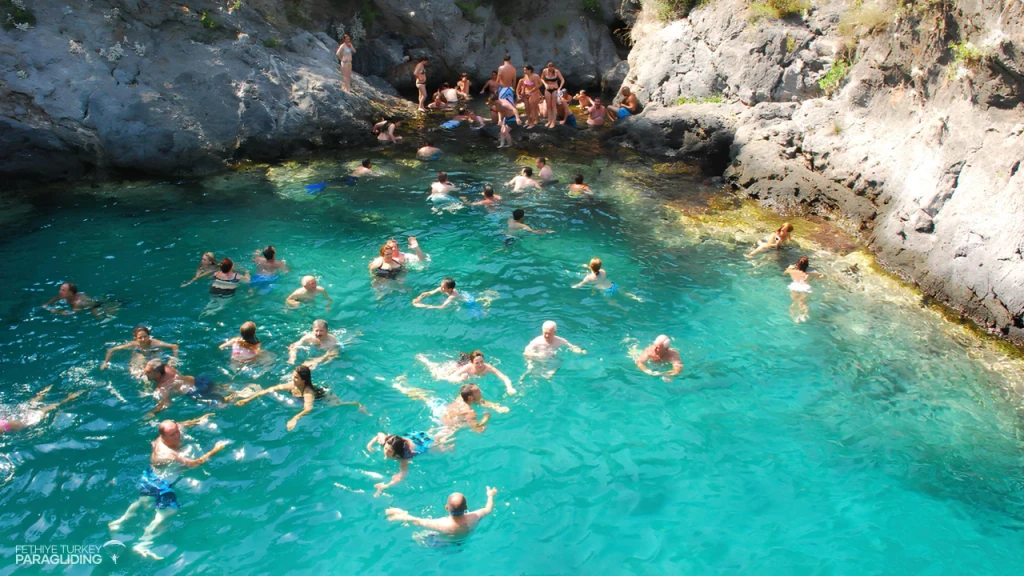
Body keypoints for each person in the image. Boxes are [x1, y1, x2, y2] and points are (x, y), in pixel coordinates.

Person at [108, 417, 229, 560]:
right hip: (162, 483)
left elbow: (183, 425)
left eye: (177, 431)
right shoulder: (168, 454)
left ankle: (120, 522)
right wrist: (215, 450)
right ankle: (143, 543)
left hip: (150, 475)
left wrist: (198, 420)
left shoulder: (160, 439)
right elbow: (194, 464)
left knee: (142, 501)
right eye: (173, 434)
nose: (177, 435)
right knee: (166, 513)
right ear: (164, 436)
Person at [234, 365, 367, 431]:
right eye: (293, 376)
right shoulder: (293, 385)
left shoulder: (308, 393)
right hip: (311, 393)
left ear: (303, 380)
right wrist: (249, 399)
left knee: (340, 405)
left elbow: (308, 408)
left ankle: (358, 405)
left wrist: (294, 418)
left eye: (296, 377)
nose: (293, 379)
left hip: (323, 398)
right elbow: (271, 389)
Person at [386, 487, 499, 540]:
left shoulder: (441, 524)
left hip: (445, 542)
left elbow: (417, 521)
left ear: (446, 508)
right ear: (466, 508)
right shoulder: (474, 517)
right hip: (463, 540)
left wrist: (402, 515)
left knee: (417, 537)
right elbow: (488, 508)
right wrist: (490, 495)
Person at [366, 430, 452, 497]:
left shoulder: (404, 457)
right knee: (436, 434)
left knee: (441, 448)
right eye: (385, 448)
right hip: (413, 436)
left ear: (396, 452)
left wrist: (386, 486)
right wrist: (369, 445)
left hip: (422, 444)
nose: (386, 452)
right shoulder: (388, 441)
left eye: (389, 451)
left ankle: (449, 444)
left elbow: (403, 474)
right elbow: (379, 434)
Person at [0, 385, 83, 436]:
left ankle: (70, 398)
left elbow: (16, 425)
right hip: (18, 416)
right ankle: (47, 389)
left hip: (27, 420)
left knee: (50, 407)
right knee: (32, 403)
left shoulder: (4, 426)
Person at [101, 325, 179, 375]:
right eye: (140, 338)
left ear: (149, 336)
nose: (143, 339)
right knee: (137, 373)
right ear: (136, 339)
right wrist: (105, 362)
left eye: (145, 336)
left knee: (157, 371)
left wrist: (173, 359)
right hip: (140, 355)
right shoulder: (134, 344)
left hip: (153, 354)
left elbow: (174, 346)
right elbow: (111, 350)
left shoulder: (154, 343)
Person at [445, 350, 517, 395]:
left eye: (482, 362)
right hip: (461, 365)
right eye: (477, 363)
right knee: (442, 374)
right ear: (472, 363)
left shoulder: (488, 368)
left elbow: (504, 377)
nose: (480, 365)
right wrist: (461, 379)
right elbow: (450, 378)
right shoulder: (468, 367)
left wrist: (509, 388)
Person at [784, 257, 824, 322]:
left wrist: (790, 267)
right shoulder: (809, 274)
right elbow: (822, 276)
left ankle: (792, 316)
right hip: (804, 287)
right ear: (807, 266)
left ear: (797, 264)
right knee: (802, 303)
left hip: (795, 286)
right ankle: (805, 315)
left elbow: (785, 272)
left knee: (794, 302)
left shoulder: (792, 272)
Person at [540, 61, 565, 129]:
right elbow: (541, 78)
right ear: (547, 67)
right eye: (549, 68)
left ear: (554, 67)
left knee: (553, 105)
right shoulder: (545, 71)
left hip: (555, 89)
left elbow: (562, 80)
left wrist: (560, 88)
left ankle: (553, 121)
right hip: (547, 89)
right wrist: (545, 84)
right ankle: (549, 121)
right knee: (548, 105)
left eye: (551, 68)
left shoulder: (557, 72)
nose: (550, 69)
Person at [517, 65, 542, 129]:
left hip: (533, 93)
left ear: (530, 70)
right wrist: (522, 91)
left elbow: (537, 85)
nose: (524, 71)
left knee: (532, 108)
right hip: (526, 94)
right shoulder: (525, 76)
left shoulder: (534, 76)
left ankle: (532, 123)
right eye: (524, 70)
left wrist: (531, 91)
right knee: (527, 108)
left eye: (525, 70)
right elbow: (524, 85)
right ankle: (529, 121)